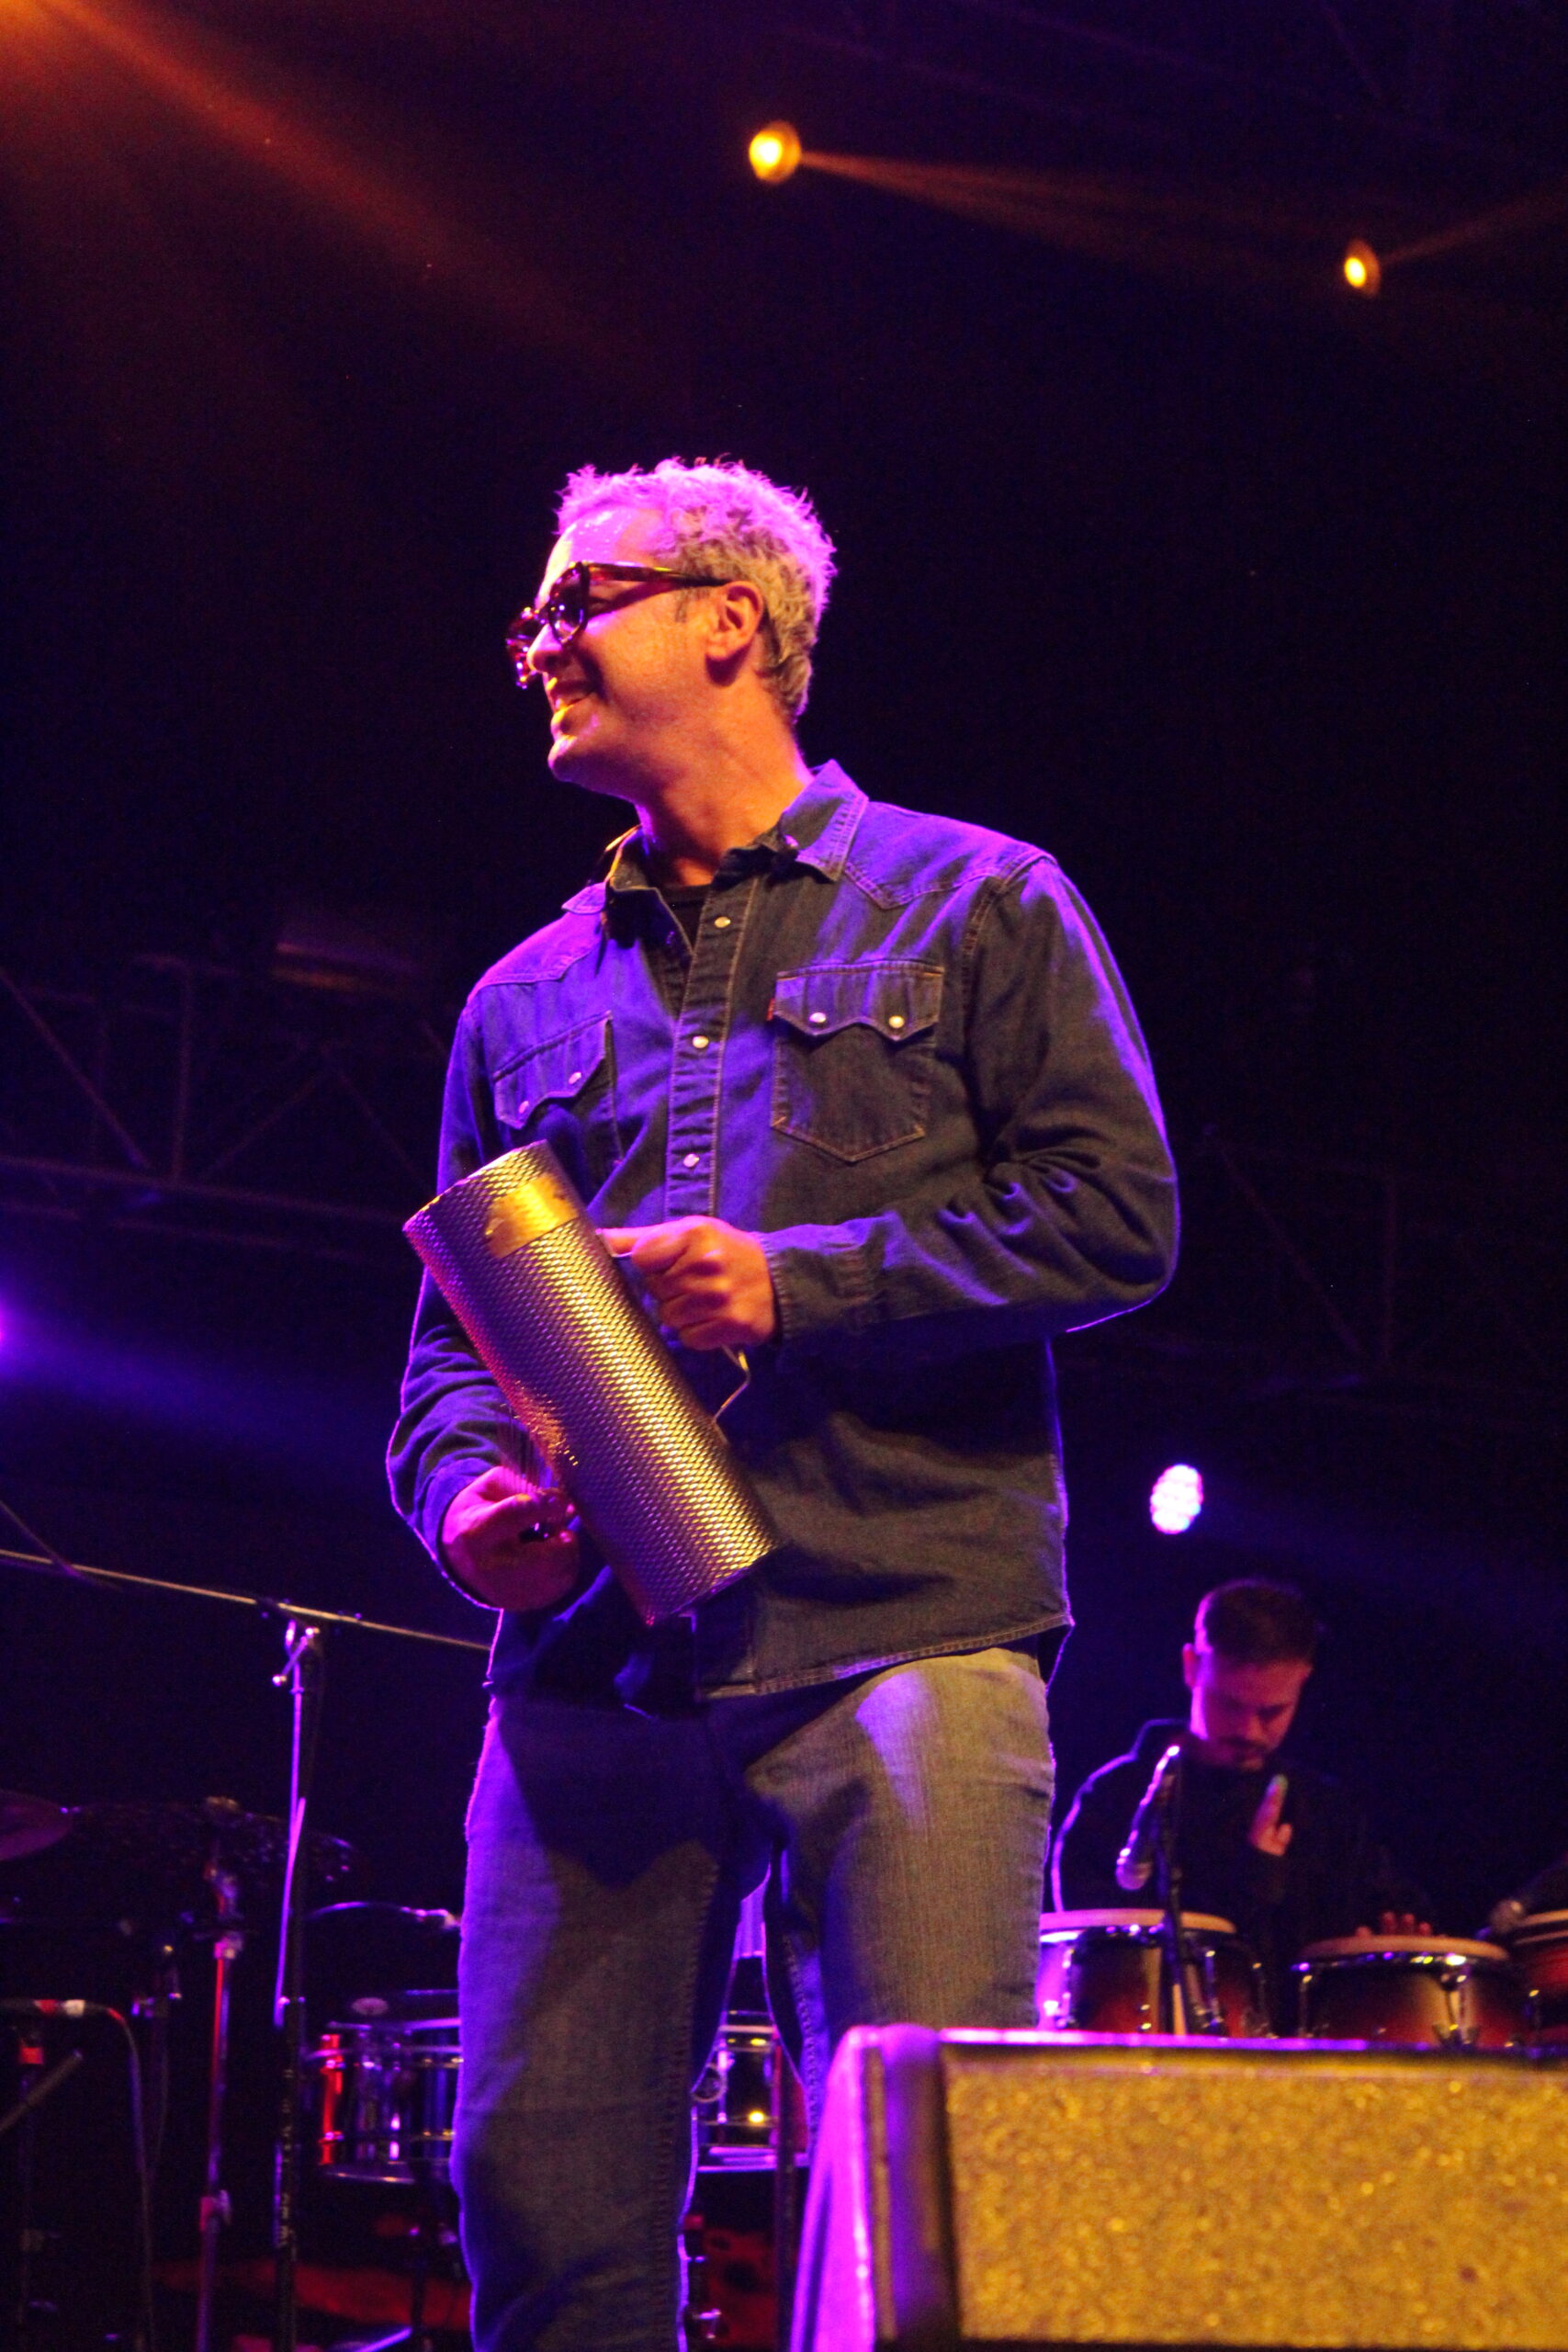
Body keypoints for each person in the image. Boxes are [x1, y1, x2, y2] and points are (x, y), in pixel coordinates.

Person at [389, 457, 1179, 2350]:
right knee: (539, 2220)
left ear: (728, 620)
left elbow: (1118, 1214)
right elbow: (446, 1357)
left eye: (574, 602)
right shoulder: (518, 998)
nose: (535, 644)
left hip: (905, 1622)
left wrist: (797, 1281)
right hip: (596, 1673)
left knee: (917, 2232)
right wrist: (469, 1500)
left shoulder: (980, 901)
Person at [1051, 1577, 1429, 2030]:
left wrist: (1395, 1940)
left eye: (1271, 1712)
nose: (1249, 1730)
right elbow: (1098, 1966)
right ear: (1192, 1667)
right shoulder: (1118, 1799)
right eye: (1229, 1705)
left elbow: (1389, 1917)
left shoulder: (1326, 1812)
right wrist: (1251, 1881)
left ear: (1304, 1678)